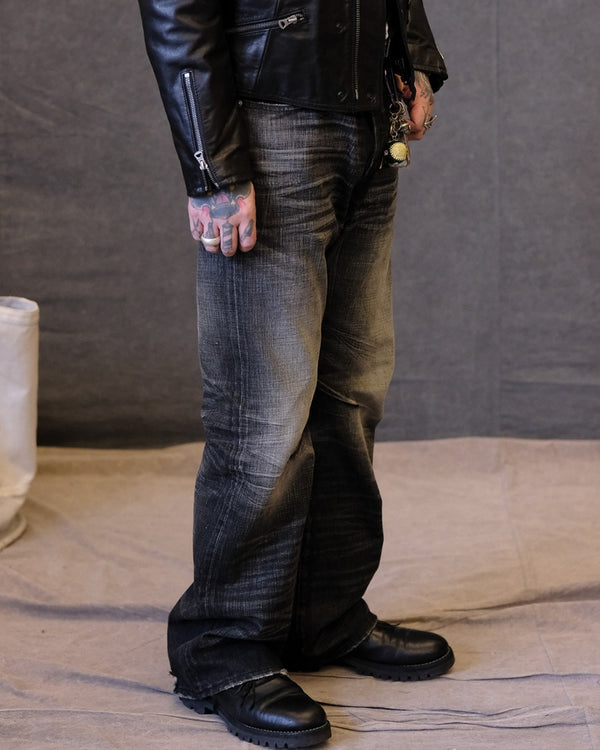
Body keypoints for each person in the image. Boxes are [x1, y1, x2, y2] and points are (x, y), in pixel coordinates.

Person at [137, 1, 451, 746]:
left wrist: (412, 56)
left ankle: (323, 616)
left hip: (370, 117)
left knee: (351, 393)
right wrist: (213, 164)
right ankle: (224, 646)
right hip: (268, 122)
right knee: (264, 411)